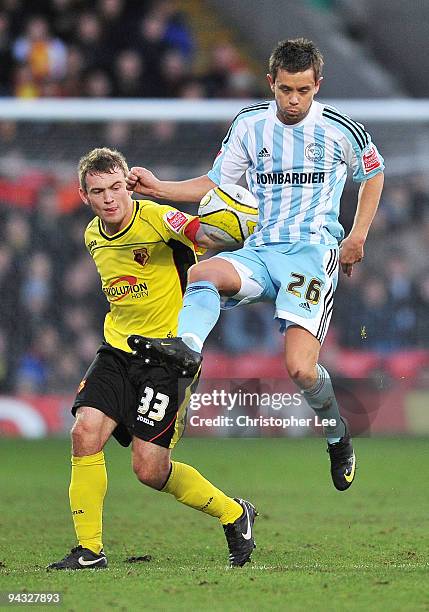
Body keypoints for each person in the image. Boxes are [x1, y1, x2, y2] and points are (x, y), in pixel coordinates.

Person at [126, 38, 385, 491]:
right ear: (271, 82)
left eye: (303, 90)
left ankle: (337, 434)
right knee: (203, 271)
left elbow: (373, 173)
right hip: (261, 248)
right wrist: (158, 188)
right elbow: (214, 184)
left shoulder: (342, 129)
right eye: (285, 89)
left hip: (311, 254)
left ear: (317, 85)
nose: (294, 100)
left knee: (301, 369)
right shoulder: (249, 126)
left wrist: (358, 235)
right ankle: (186, 348)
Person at [47, 147, 257, 571]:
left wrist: (234, 223)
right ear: (84, 196)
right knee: (84, 432)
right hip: (118, 350)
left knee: (149, 469)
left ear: (129, 183)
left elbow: (204, 237)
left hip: (167, 357)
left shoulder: (159, 219)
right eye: (98, 191)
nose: (109, 198)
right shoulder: (92, 235)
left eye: (116, 188)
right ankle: (90, 550)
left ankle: (234, 513)